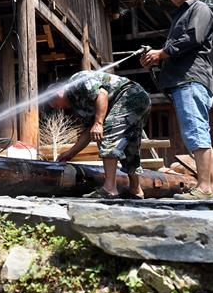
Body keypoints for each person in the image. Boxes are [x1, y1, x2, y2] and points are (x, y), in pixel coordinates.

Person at [140, 0, 213, 193]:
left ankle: (204, 186)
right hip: (182, 79)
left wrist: (162, 53)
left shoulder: (200, 9)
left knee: (195, 131)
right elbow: (177, 48)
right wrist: (155, 58)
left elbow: (193, 38)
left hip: (191, 78)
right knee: (199, 131)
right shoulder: (180, 14)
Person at [47, 70, 151, 199]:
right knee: (129, 146)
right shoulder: (77, 105)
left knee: (108, 136)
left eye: (57, 105)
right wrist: (70, 153)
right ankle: (136, 190)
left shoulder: (77, 81)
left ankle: (109, 189)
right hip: (136, 101)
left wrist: (99, 123)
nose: (60, 109)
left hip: (130, 95)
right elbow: (88, 132)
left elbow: (102, 94)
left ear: (58, 93)